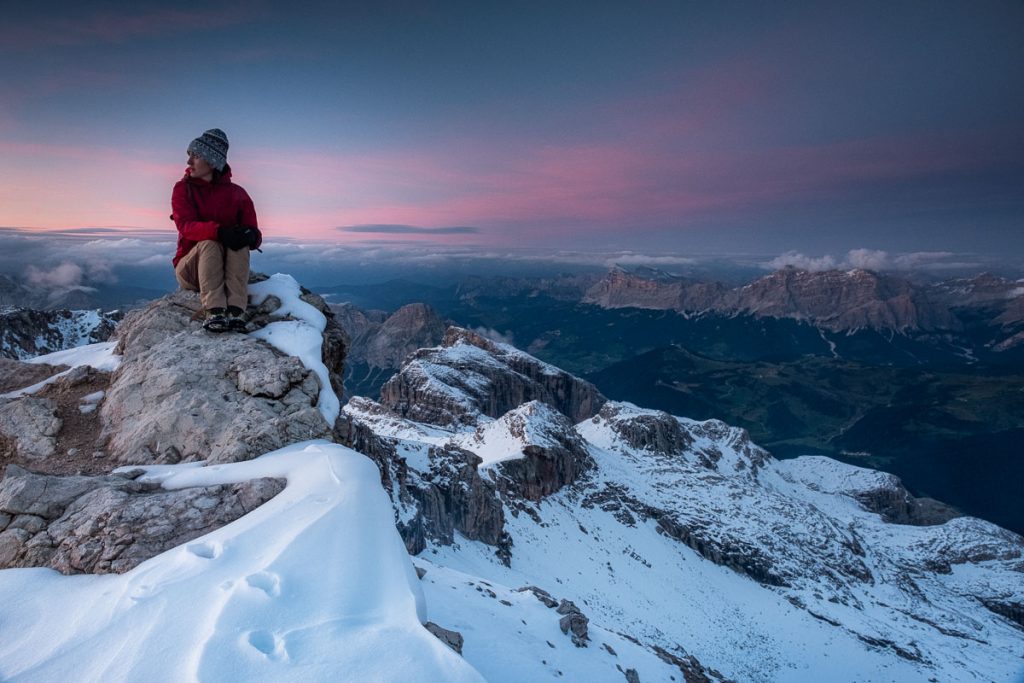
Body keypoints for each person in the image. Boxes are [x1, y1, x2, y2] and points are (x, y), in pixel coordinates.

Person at [171, 128, 262, 333]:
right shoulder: (182, 189)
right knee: (210, 243)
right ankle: (214, 310)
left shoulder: (238, 194)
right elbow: (185, 227)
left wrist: (251, 236)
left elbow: (254, 232)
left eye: (195, 156)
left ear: (212, 161)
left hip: (224, 268)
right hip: (190, 269)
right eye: (189, 156)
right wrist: (219, 231)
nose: (189, 162)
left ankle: (236, 311)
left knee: (238, 244)